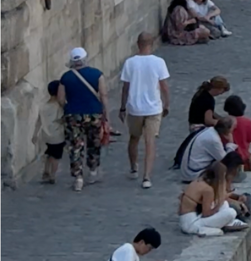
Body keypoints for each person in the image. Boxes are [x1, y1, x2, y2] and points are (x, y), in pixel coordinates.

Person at [118, 33, 171, 188]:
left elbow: (125, 88)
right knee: (150, 141)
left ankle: (134, 167)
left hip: (135, 107)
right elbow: (164, 86)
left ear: (137, 44)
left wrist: (122, 107)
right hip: (153, 107)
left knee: (134, 138)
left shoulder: (130, 63)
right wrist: (167, 104)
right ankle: (146, 176)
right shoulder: (159, 62)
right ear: (152, 43)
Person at [56, 47, 106, 190]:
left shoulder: (66, 77)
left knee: (75, 145)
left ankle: (78, 178)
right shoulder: (97, 74)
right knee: (94, 142)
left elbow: (60, 99)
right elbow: (103, 95)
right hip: (93, 113)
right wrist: (106, 114)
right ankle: (93, 170)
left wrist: (67, 107)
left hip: (73, 114)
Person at [176, 160, 247, 236]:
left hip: (189, 219)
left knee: (225, 204)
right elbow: (206, 213)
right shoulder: (208, 190)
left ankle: (230, 223)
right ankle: (228, 223)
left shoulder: (198, 181)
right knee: (231, 212)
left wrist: (221, 201)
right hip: (192, 224)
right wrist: (219, 204)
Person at [175, 117, 233, 182]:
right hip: (193, 174)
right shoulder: (214, 140)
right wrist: (230, 144)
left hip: (188, 170)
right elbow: (226, 160)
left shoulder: (209, 130)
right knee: (221, 166)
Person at [39, 80, 67, 184]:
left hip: (46, 134)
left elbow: (39, 120)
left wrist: (34, 134)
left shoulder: (43, 106)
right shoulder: (59, 106)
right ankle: (52, 175)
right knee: (56, 156)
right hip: (57, 135)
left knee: (49, 153)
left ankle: (45, 171)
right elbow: (62, 119)